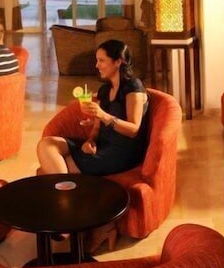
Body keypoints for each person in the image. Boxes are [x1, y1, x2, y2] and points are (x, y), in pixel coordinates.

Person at [37, 39, 150, 177]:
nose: (97, 65)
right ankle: (65, 186)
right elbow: (97, 128)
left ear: (118, 62)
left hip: (122, 152)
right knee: (46, 144)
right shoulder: (104, 90)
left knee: (52, 168)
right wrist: (90, 140)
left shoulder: (133, 87)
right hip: (102, 145)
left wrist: (103, 115)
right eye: (97, 60)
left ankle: (65, 188)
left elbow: (133, 129)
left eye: (101, 60)